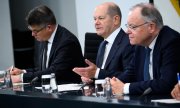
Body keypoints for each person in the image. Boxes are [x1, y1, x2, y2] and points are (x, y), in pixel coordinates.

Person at [110, 3, 180, 95]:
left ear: (151, 27)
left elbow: (166, 83)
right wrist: (112, 83)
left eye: (133, 27)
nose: (127, 31)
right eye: (128, 26)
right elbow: (130, 74)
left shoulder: (171, 41)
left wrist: (125, 88)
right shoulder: (141, 44)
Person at [11, 5, 85, 84]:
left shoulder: (67, 42)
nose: (32, 34)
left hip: (69, 92)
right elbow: (44, 69)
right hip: (51, 89)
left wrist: (21, 78)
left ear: (49, 28)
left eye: (35, 31)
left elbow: (53, 71)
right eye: (31, 30)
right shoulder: (44, 38)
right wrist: (23, 72)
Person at [73, 2, 134, 84]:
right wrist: (91, 78)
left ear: (115, 20)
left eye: (101, 18)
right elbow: (101, 74)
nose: (96, 22)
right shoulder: (102, 45)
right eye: (95, 19)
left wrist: (96, 73)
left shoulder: (128, 42)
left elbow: (130, 77)